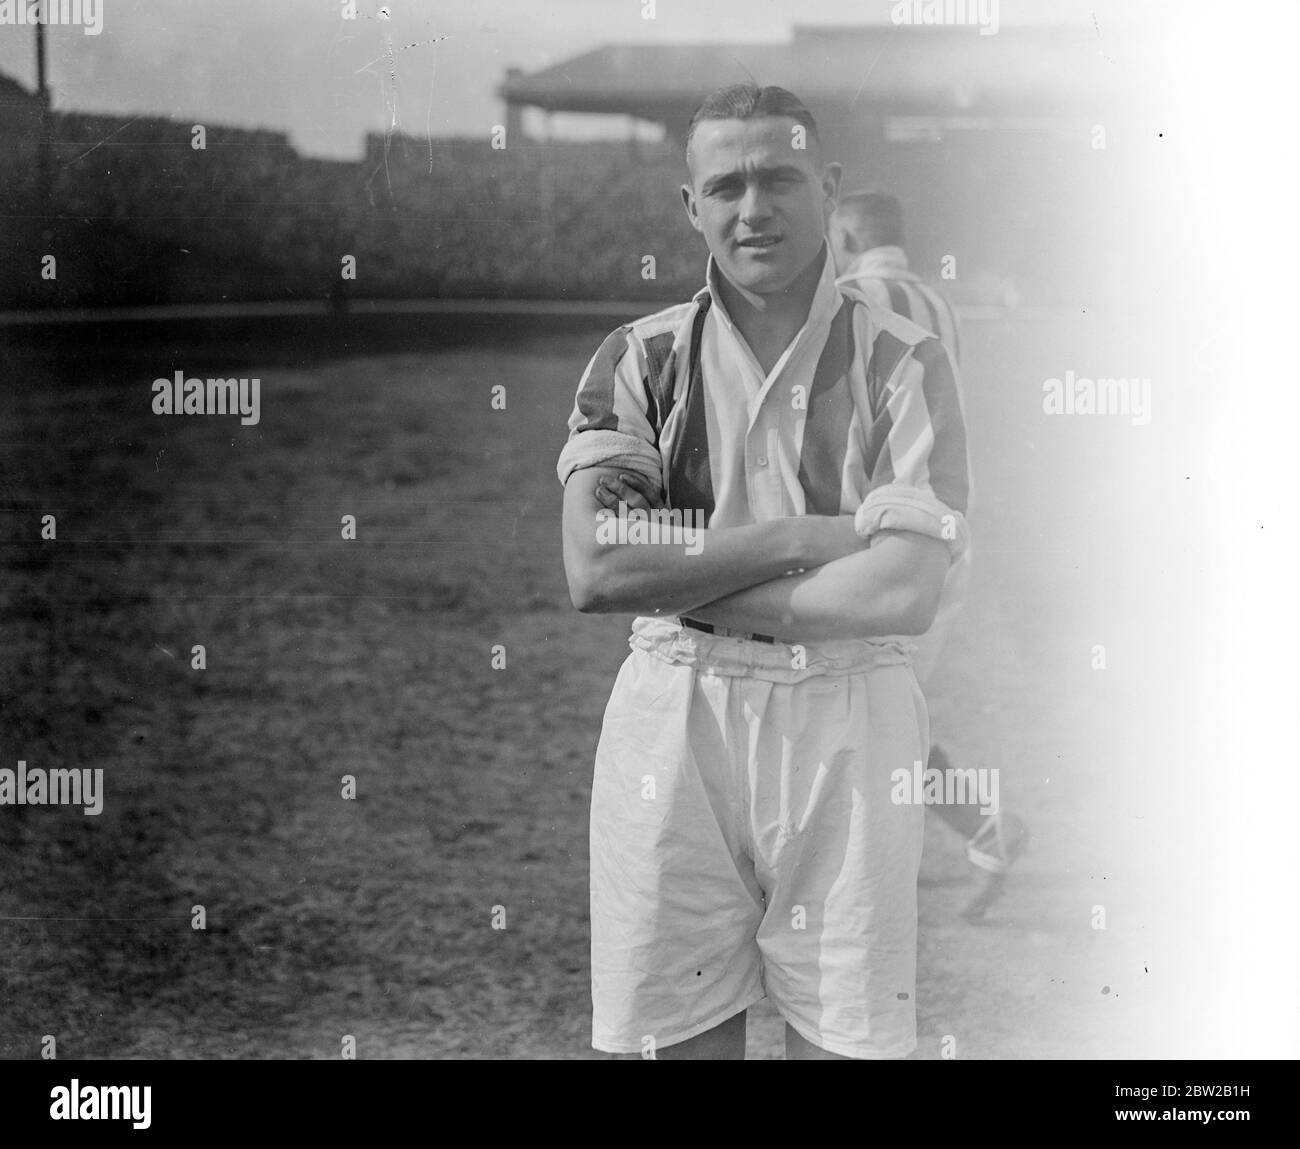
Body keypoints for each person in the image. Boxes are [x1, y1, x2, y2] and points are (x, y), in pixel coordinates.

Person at [557, 84, 969, 1060]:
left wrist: (679, 568)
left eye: (779, 178)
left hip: (850, 708)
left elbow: (900, 593)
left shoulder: (903, 362)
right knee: (668, 1040)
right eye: (726, 184)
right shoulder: (638, 357)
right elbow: (595, 569)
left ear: (825, 190)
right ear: (689, 206)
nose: (755, 207)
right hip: (674, 711)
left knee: (850, 1044)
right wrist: (798, 533)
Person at [829, 191, 1030, 919]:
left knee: (868, 705)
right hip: (945, 532)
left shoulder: (845, 296)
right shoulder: (941, 303)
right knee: (884, 703)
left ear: (846, 234)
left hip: (883, 532)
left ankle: (972, 830)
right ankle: (970, 830)